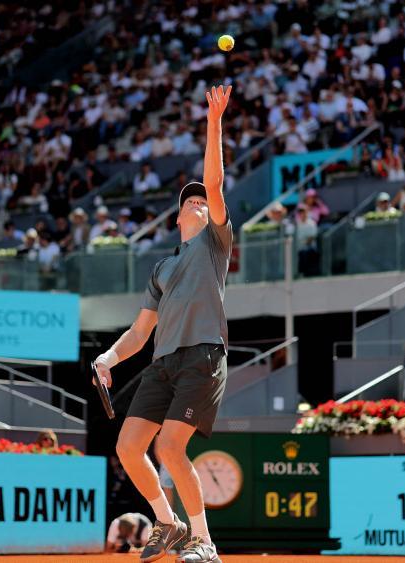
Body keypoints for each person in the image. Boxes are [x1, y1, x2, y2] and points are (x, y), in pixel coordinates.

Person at [94, 85, 233, 563]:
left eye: (202, 201)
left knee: (171, 447)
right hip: (162, 364)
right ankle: (169, 523)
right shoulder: (162, 269)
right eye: (190, 202)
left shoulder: (214, 245)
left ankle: (205, 542)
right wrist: (109, 358)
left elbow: (213, 184)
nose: (198, 203)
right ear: (177, 218)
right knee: (130, 447)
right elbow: (138, 333)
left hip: (202, 357)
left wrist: (214, 121)